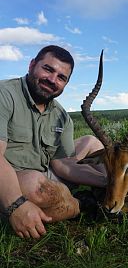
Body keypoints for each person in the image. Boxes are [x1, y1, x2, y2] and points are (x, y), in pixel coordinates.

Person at [0, 45, 107, 239]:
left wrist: (110, 182)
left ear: (66, 84)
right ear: (32, 65)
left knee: (93, 143)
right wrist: (15, 205)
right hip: (11, 177)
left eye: (61, 77)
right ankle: (82, 205)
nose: (52, 80)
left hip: (44, 170)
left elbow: (64, 164)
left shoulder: (61, 115)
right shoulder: (4, 94)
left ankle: (111, 194)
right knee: (37, 187)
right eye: (48, 69)